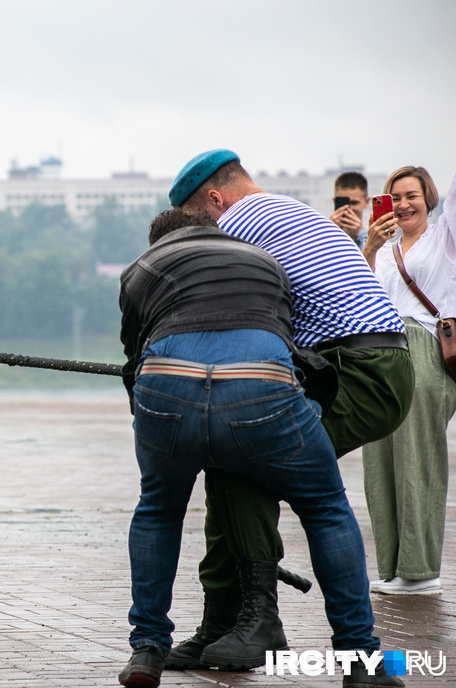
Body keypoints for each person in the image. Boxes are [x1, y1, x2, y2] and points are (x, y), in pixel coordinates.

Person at [117, 207, 401, 688]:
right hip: (262, 388)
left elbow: (134, 358)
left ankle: (146, 650)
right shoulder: (263, 260)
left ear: (158, 241)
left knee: (158, 510)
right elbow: (283, 339)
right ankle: (361, 660)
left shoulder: (142, 268)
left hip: (168, 390)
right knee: (326, 507)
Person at [360, 167, 456, 595]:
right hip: (383, 352)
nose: (401, 204)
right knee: (379, 460)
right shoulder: (383, 250)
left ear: (430, 197)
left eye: (410, 195)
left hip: (422, 346)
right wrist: (369, 245)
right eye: (393, 197)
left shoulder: (444, 238)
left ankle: (421, 573)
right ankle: (395, 569)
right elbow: (357, 294)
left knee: (418, 458)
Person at [330, 171, 371, 247]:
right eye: (343, 203)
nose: (348, 209)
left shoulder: (375, 239)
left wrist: (356, 240)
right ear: (334, 202)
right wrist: (330, 232)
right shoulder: (325, 235)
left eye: (354, 203)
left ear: (366, 202)